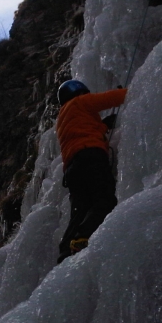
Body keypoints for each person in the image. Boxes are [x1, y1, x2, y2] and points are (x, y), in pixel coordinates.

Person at [56, 80, 127, 263]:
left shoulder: (63, 117)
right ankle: (83, 237)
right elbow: (109, 99)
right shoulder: (79, 102)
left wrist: (104, 126)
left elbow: (84, 128)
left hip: (73, 168)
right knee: (104, 198)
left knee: (80, 209)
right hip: (90, 155)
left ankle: (66, 251)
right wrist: (137, 85)